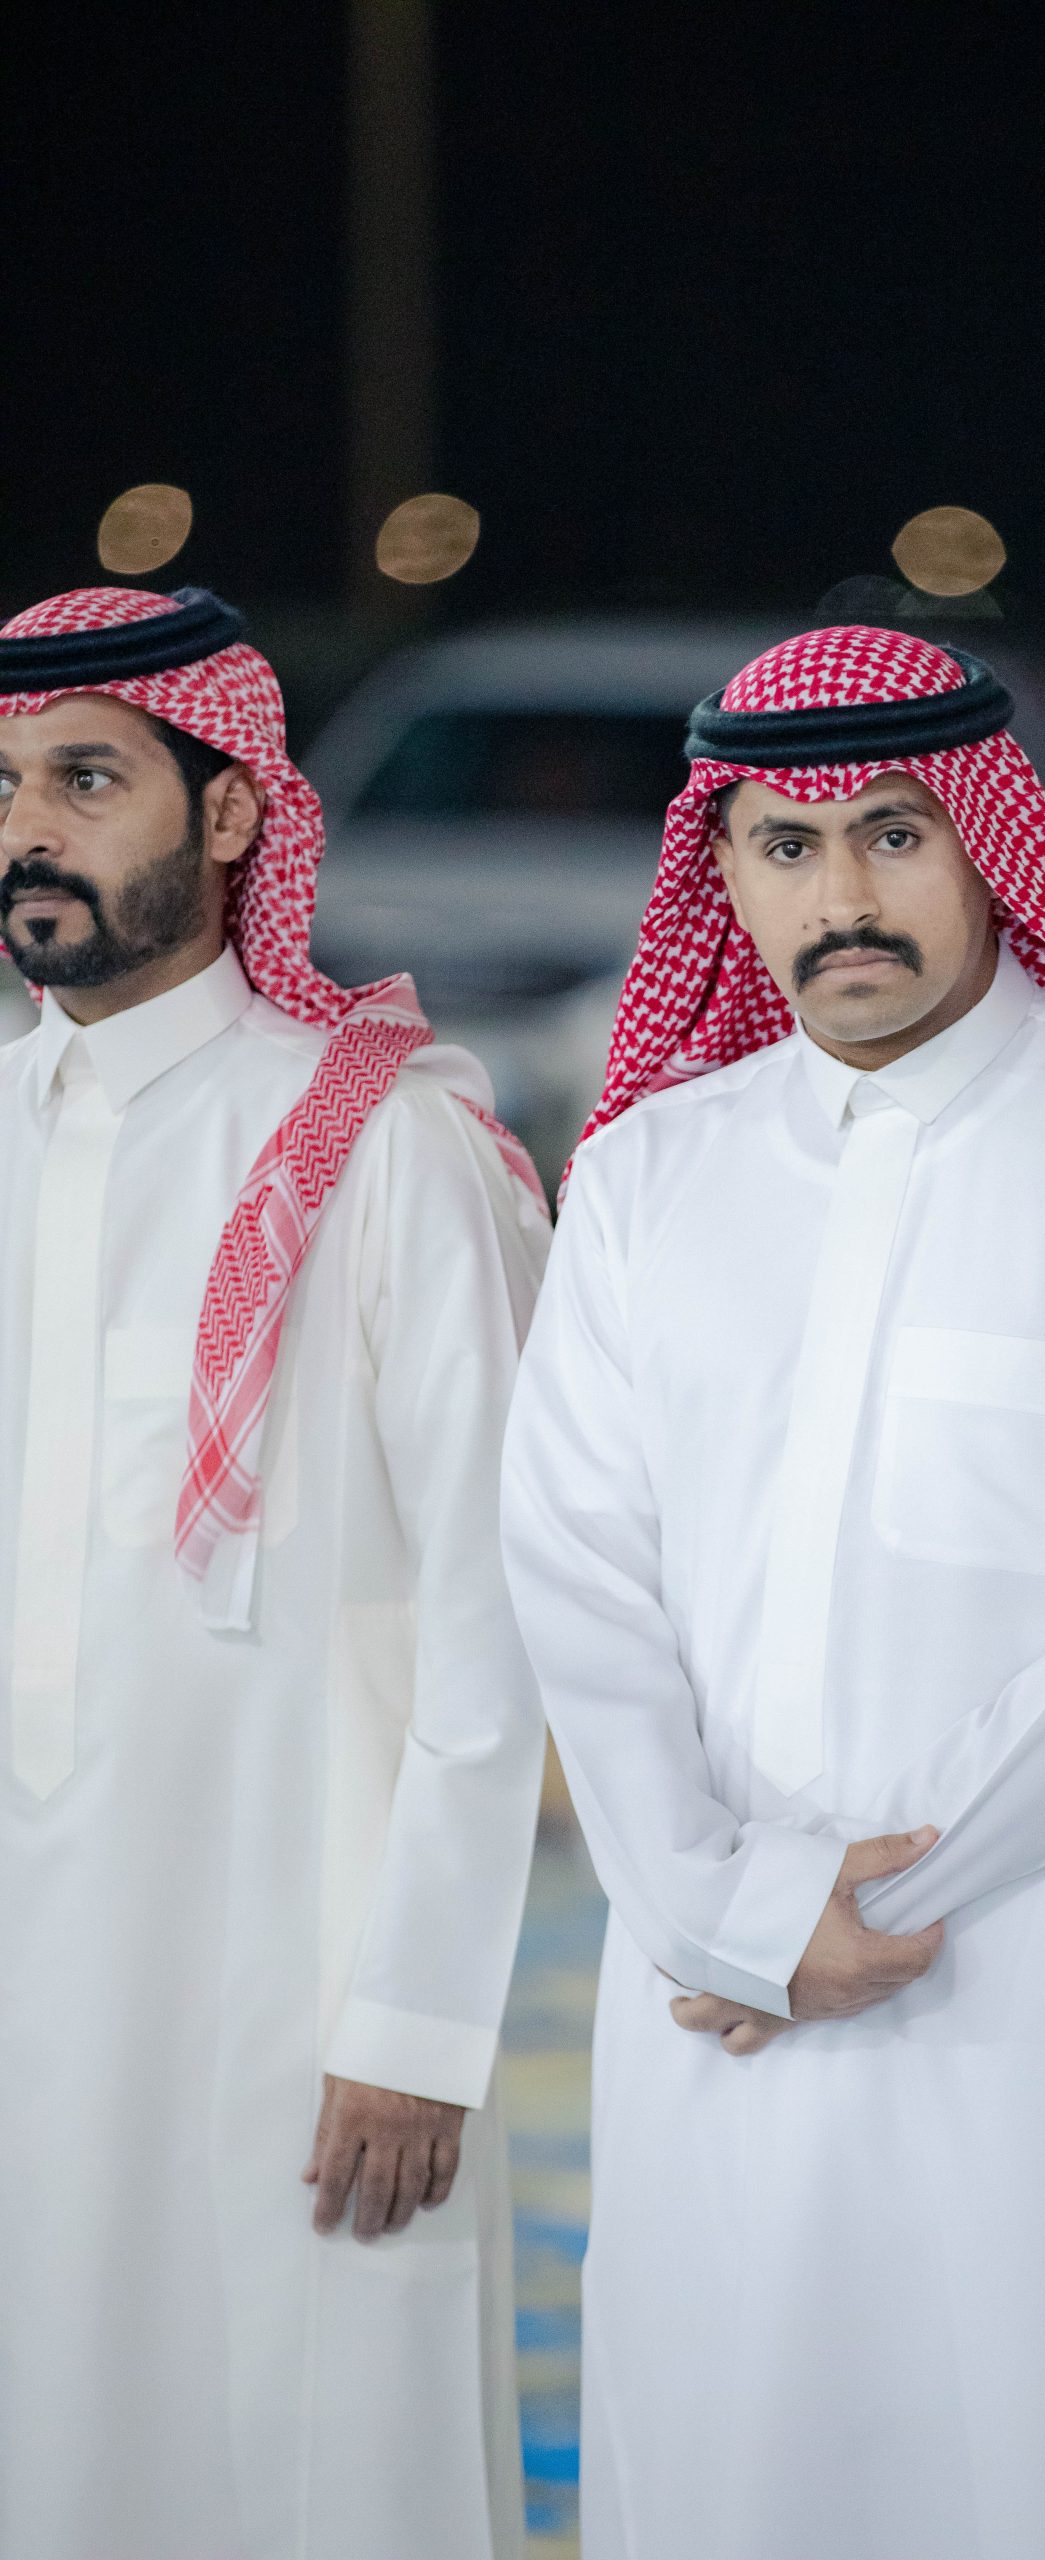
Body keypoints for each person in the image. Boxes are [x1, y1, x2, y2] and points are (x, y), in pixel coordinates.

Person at [500, 625, 1045, 2560]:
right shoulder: (650, 1175)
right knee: (726, 2473)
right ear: (721, 873)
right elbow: (574, 1571)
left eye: (891, 835)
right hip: (716, 1991)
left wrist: (859, 1910)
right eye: (785, 849)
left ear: (987, 841)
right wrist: (725, 1907)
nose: (841, 896)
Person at [0, 585, 549, 2560]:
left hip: (294, 1998)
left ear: (233, 813)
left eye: (85, 779)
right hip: (28, 1987)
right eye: (1, 788)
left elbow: (500, 1623)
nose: (28, 831)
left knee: (303, 2461)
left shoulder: (386, 1146)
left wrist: (415, 2021)